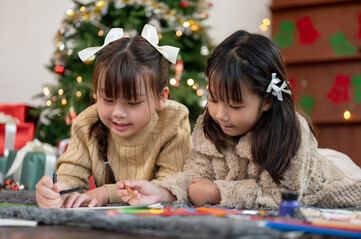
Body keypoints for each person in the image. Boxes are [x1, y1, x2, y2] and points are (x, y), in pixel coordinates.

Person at [116, 29, 361, 209]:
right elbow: (194, 177)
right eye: (213, 99)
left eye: (235, 105)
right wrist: (160, 191)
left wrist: (218, 192)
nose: (221, 114)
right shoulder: (210, 125)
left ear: (266, 100)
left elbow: (280, 197)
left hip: (331, 181)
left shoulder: (291, 130)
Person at [35, 24, 191, 208]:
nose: (118, 113)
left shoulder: (173, 120)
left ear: (160, 98)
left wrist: (106, 193)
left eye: (133, 103)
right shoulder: (87, 123)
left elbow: (171, 186)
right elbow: (70, 176)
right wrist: (56, 191)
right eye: (108, 100)